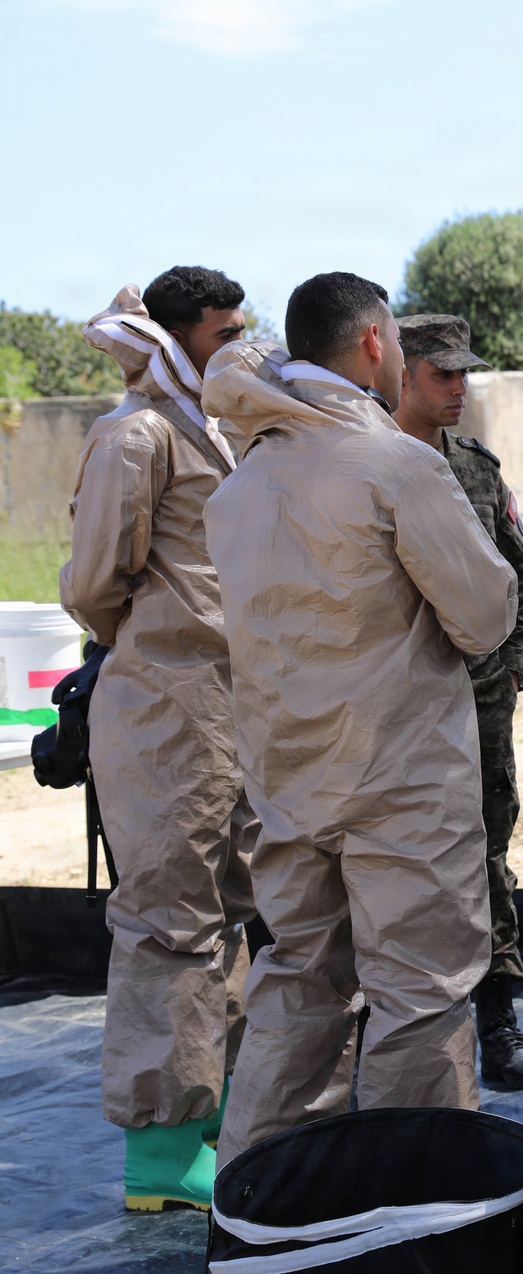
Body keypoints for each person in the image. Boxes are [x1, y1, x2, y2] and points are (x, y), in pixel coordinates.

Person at [202, 273, 518, 1166]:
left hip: (288, 782)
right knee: (419, 997)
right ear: (377, 344)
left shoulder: (246, 475)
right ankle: (412, 1214)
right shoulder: (396, 465)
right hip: (401, 784)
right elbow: (486, 617)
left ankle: (258, 1205)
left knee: (298, 983)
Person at [59, 267, 258, 1211]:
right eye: (225, 331)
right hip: (165, 708)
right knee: (169, 920)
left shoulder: (213, 429)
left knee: (228, 909)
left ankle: (217, 1111)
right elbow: (96, 583)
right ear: (180, 339)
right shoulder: (135, 436)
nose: (239, 345)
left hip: (231, 706)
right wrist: (158, 640)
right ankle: (163, 1154)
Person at [394, 314, 523, 1090]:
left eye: (464, 374)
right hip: (387, 710)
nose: (459, 388)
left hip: (477, 704)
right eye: (442, 374)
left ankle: (499, 1021)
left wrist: (511, 669)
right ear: (398, 371)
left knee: (486, 859)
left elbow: (520, 579)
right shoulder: (361, 465)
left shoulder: (477, 469)